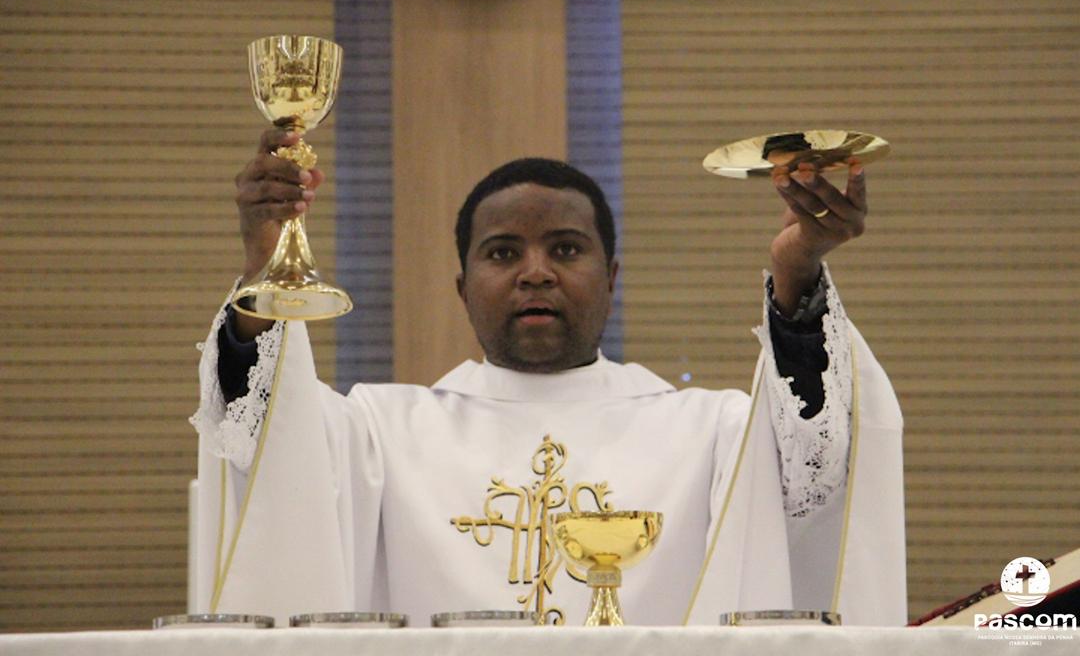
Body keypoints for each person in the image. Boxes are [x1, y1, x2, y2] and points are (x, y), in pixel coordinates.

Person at [189, 128, 906, 626]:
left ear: (611, 278)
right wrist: (265, 271)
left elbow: (817, 466)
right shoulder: (378, 432)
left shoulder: (712, 433)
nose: (536, 272)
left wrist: (796, 270)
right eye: (503, 253)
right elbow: (266, 439)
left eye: (565, 248)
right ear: (462, 288)